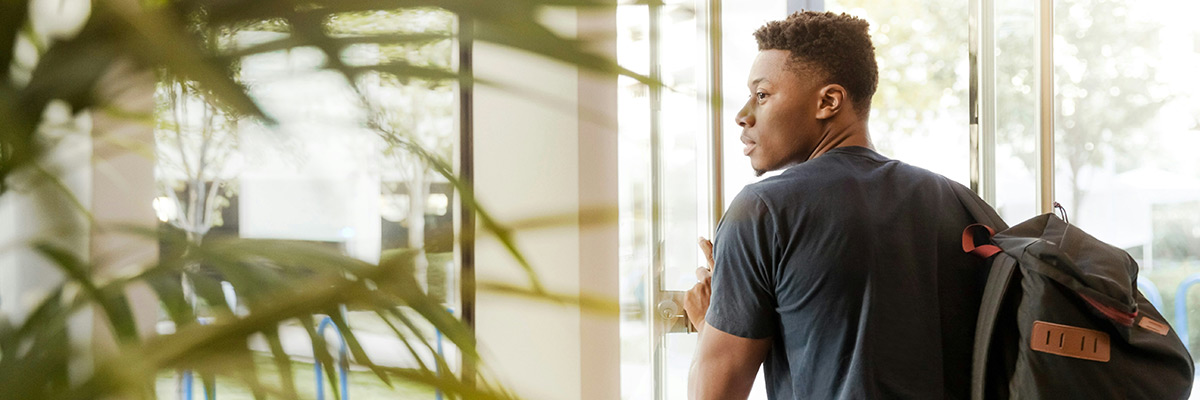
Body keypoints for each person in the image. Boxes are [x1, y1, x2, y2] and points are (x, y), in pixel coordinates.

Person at [682, 11, 988, 399]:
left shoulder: (763, 210)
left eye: (762, 95)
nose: (743, 116)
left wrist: (710, 322)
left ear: (828, 101)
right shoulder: (959, 203)